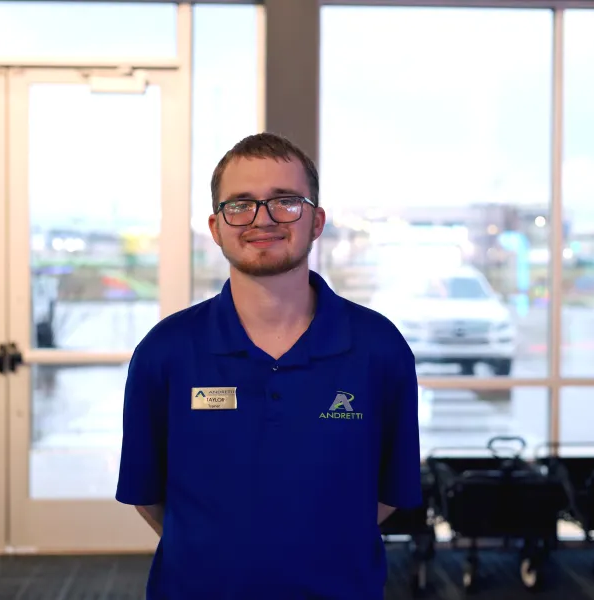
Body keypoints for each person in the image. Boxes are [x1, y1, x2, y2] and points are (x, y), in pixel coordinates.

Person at [116, 132, 422, 600]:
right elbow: (148, 496)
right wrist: (219, 554)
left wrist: (315, 548)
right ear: (216, 227)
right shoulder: (165, 352)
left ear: (316, 221)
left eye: (285, 201)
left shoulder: (379, 349)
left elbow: (387, 494)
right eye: (240, 205)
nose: (262, 219)